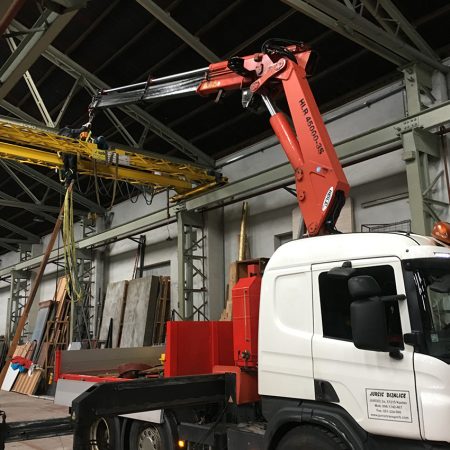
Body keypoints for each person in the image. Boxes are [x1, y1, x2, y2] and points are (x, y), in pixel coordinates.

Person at [58, 122, 91, 186]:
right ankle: (70, 180)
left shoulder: (60, 132)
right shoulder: (69, 130)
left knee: (66, 167)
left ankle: (67, 181)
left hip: (64, 151)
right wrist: (86, 126)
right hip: (71, 150)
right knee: (72, 167)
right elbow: (79, 130)